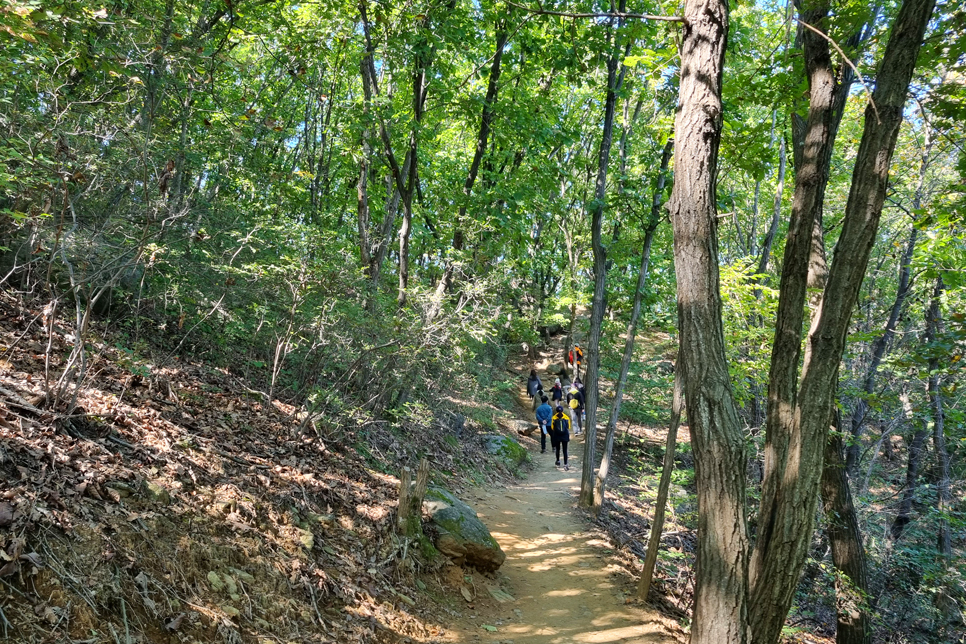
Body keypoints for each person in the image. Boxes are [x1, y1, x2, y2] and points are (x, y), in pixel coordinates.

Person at [551, 405, 571, 470]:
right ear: (562, 410)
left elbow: (552, 427)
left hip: (557, 435)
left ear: (556, 411)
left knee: (558, 449)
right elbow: (568, 427)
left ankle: (558, 461)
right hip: (565, 436)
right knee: (565, 450)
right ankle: (565, 464)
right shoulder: (566, 417)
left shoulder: (554, 418)